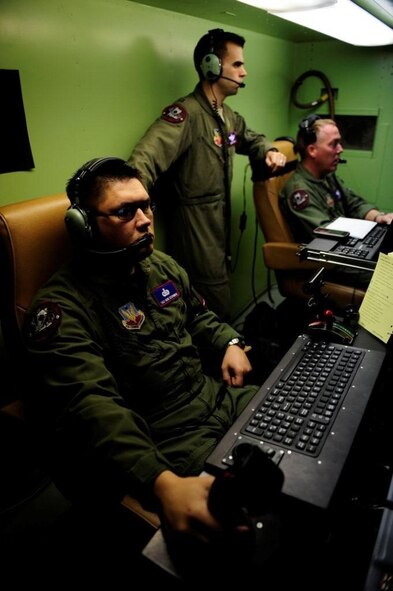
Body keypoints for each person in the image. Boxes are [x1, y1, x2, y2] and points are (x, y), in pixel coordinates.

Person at [22, 156, 268, 582]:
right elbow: (92, 407)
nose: (144, 220)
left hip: (216, 397)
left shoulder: (162, 267)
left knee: (300, 429)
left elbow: (197, 317)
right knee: (253, 537)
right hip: (167, 439)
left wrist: (229, 342)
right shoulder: (61, 310)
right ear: (83, 225)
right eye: (124, 211)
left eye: (146, 206)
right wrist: (162, 482)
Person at [128, 29, 287, 321]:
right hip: (196, 227)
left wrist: (269, 150)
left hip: (218, 225)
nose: (244, 72)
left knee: (215, 302)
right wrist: (130, 207)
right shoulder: (186, 114)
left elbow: (251, 138)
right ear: (211, 66)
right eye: (237, 65)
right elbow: (144, 159)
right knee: (212, 304)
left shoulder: (226, 116)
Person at [280, 115, 393, 287]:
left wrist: (378, 217)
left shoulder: (327, 177)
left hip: (346, 252)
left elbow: (354, 203)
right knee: (388, 278)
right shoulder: (299, 192)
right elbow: (325, 234)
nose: (340, 149)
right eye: (334, 144)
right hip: (328, 264)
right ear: (312, 150)